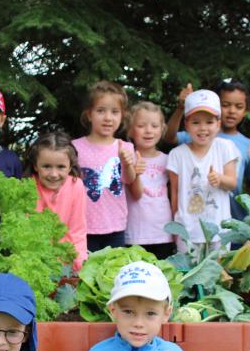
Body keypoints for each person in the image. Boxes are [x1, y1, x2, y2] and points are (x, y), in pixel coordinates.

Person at [77, 261, 194, 351]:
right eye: (128, 312)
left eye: (150, 313)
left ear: (166, 314)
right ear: (113, 311)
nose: (138, 323)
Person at [165, 80, 250, 219]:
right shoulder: (194, 136)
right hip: (192, 219)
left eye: (239, 106)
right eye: (226, 105)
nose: (232, 111)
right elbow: (169, 137)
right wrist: (181, 108)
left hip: (231, 218)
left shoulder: (245, 144)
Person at [167, 90, 239, 249]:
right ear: (186, 124)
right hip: (187, 231)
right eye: (196, 122)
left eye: (209, 122)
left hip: (219, 229)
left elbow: (232, 182)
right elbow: (175, 194)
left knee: (218, 272)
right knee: (187, 272)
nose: (202, 128)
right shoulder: (176, 155)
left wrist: (219, 179)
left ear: (218, 124)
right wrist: (174, 226)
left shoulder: (225, 147)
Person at [73, 81, 139, 252]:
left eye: (114, 112)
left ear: (122, 115)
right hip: (83, 225)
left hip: (115, 224)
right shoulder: (75, 147)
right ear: (89, 114)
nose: (108, 117)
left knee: (112, 272)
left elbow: (129, 180)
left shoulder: (125, 147)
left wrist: (126, 163)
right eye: (101, 111)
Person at [25, 132, 88, 270]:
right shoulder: (27, 187)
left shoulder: (76, 185)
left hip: (67, 261)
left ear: (70, 166)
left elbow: (77, 231)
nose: (53, 174)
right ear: (36, 165)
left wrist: (80, 265)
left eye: (61, 167)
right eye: (46, 166)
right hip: (35, 261)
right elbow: (26, 233)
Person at [126, 102, 176, 260]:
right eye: (141, 125)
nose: (148, 131)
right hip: (134, 233)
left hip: (162, 233)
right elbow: (135, 194)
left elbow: (177, 193)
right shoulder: (127, 158)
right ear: (130, 130)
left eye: (154, 126)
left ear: (162, 129)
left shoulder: (168, 160)